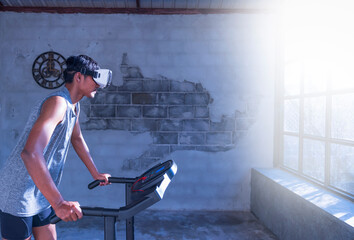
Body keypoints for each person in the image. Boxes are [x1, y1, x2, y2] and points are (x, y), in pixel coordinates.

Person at [0, 55, 112, 240]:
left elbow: (76, 138)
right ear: (78, 77)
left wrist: (95, 173)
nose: (99, 85)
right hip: (18, 193)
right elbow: (30, 154)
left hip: (39, 191)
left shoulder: (73, 106)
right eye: (95, 77)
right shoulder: (58, 103)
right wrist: (59, 203)